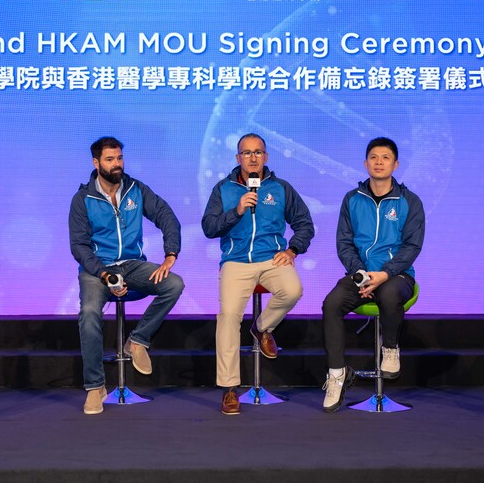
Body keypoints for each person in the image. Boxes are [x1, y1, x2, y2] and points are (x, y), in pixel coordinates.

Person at [69, 136, 185, 415]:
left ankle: (137, 341)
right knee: (88, 311)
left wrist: (171, 254)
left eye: (119, 158)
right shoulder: (83, 199)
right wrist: (105, 273)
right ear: (96, 163)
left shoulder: (136, 189)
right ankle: (96, 387)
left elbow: (167, 216)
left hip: (132, 265)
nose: (117, 164)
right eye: (110, 159)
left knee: (174, 284)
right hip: (97, 269)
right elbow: (79, 247)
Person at [202, 133, 315, 415]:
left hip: (271, 258)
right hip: (236, 261)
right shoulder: (223, 189)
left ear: (265, 157)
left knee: (293, 290)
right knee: (228, 315)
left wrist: (292, 250)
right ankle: (229, 389)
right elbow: (209, 227)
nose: (253, 158)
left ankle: (262, 327)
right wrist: (237, 210)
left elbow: (304, 223)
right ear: (238, 158)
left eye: (258, 152)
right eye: (246, 153)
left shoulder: (280, 188)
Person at [321, 137, 424, 413]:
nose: (379, 162)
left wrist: (384, 274)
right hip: (360, 275)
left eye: (385, 157)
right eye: (374, 157)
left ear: (396, 164)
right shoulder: (352, 199)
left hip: (397, 275)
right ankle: (337, 374)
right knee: (331, 304)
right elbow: (344, 243)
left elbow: (412, 246)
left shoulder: (408, 201)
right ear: (366, 163)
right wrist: (361, 275)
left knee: (389, 293)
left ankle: (389, 348)